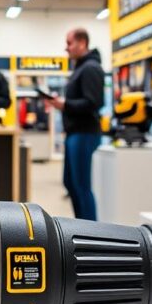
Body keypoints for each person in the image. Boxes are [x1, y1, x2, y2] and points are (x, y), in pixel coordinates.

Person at [47, 28, 105, 221]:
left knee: (81, 185)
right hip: (74, 134)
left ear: (82, 43)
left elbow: (94, 102)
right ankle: (81, 226)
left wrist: (65, 104)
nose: (66, 48)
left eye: (69, 43)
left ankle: (92, 233)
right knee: (71, 183)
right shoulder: (81, 68)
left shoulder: (90, 68)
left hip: (84, 134)